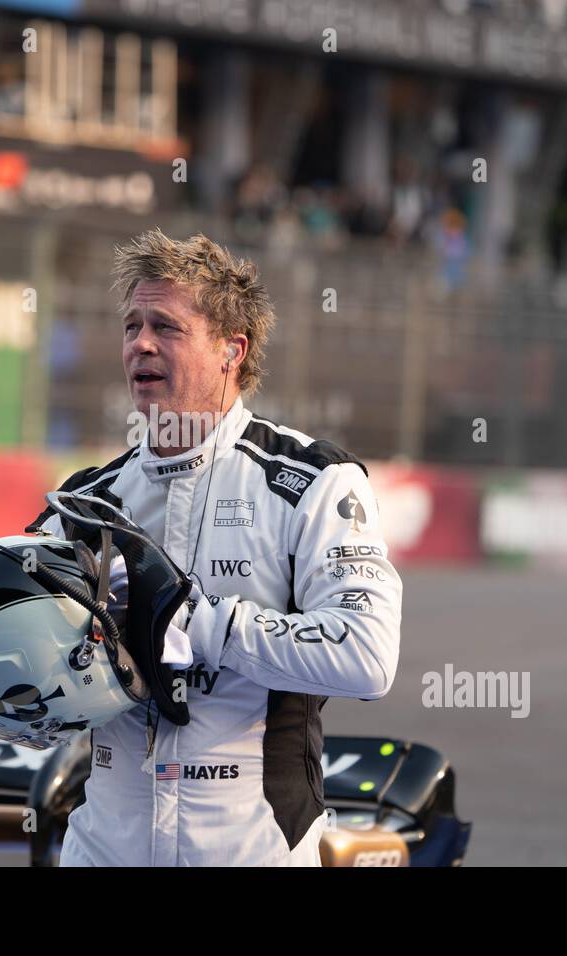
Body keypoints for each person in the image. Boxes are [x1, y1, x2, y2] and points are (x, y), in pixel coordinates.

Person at [25, 228, 402, 866]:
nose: (140, 343)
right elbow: (40, 714)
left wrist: (194, 623)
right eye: (131, 326)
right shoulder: (82, 503)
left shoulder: (311, 483)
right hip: (103, 851)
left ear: (232, 349)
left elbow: (367, 657)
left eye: (166, 327)